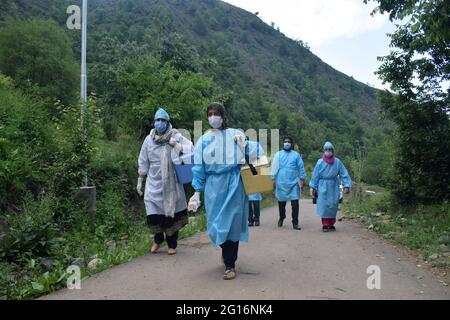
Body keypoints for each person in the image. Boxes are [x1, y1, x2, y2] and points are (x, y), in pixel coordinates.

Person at [188, 102, 251, 280]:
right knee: (218, 223)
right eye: (210, 113)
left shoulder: (235, 134)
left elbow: (251, 156)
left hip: (234, 183)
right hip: (214, 186)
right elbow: (199, 168)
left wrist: (243, 146)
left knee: (233, 222)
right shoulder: (203, 140)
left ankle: (230, 264)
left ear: (223, 115)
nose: (213, 117)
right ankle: (226, 252)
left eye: (216, 113)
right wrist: (196, 192)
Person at [137, 108, 193, 255]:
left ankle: (172, 244)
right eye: (157, 120)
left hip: (171, 181)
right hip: (153, 180)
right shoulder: (149, 140)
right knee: (153, 212)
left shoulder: (175, 135)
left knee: (171, 212)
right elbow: (143, 159)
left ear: (168, 122)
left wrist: (177, 145)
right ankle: (157, 239)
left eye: (163, 120)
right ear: (154, 122)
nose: (160, 123)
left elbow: (190, 148)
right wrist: (140, 179)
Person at [309, 142, 352, 232]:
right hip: (322, 185)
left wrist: (347, 185)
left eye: (330, 150)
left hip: (333, 186)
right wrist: (313, 186)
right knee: (324, 205)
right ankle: (325, 224)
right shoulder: (320, 162)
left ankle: (331, 224)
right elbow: (315, 175)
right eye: (326, 150)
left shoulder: (337, 162)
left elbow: (344, 173)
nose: (328, 152)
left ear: (333, 151)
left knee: (333, 205)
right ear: (324, 151)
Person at [271, 136, 307, 230]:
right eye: (285, 141)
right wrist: (273, 179)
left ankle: (295, 222)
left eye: (289, 142)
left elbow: (301, 167)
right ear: (283, 143)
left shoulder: (296, 155)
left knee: (295, 203)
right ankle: (281, 217)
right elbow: (274, 167)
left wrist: (302, 178)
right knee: (281, 204)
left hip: (294, 182)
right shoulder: (278, 155)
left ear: (291, 144)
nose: (287, 143)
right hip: (281, 182)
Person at [246, 139, 265, 227]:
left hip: (255, 171)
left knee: (255, 198)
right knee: (247, 199)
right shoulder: (239, 147)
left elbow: (262, 157)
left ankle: (256, 219)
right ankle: (250, 219)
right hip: (245, 173)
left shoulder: (255, 145)